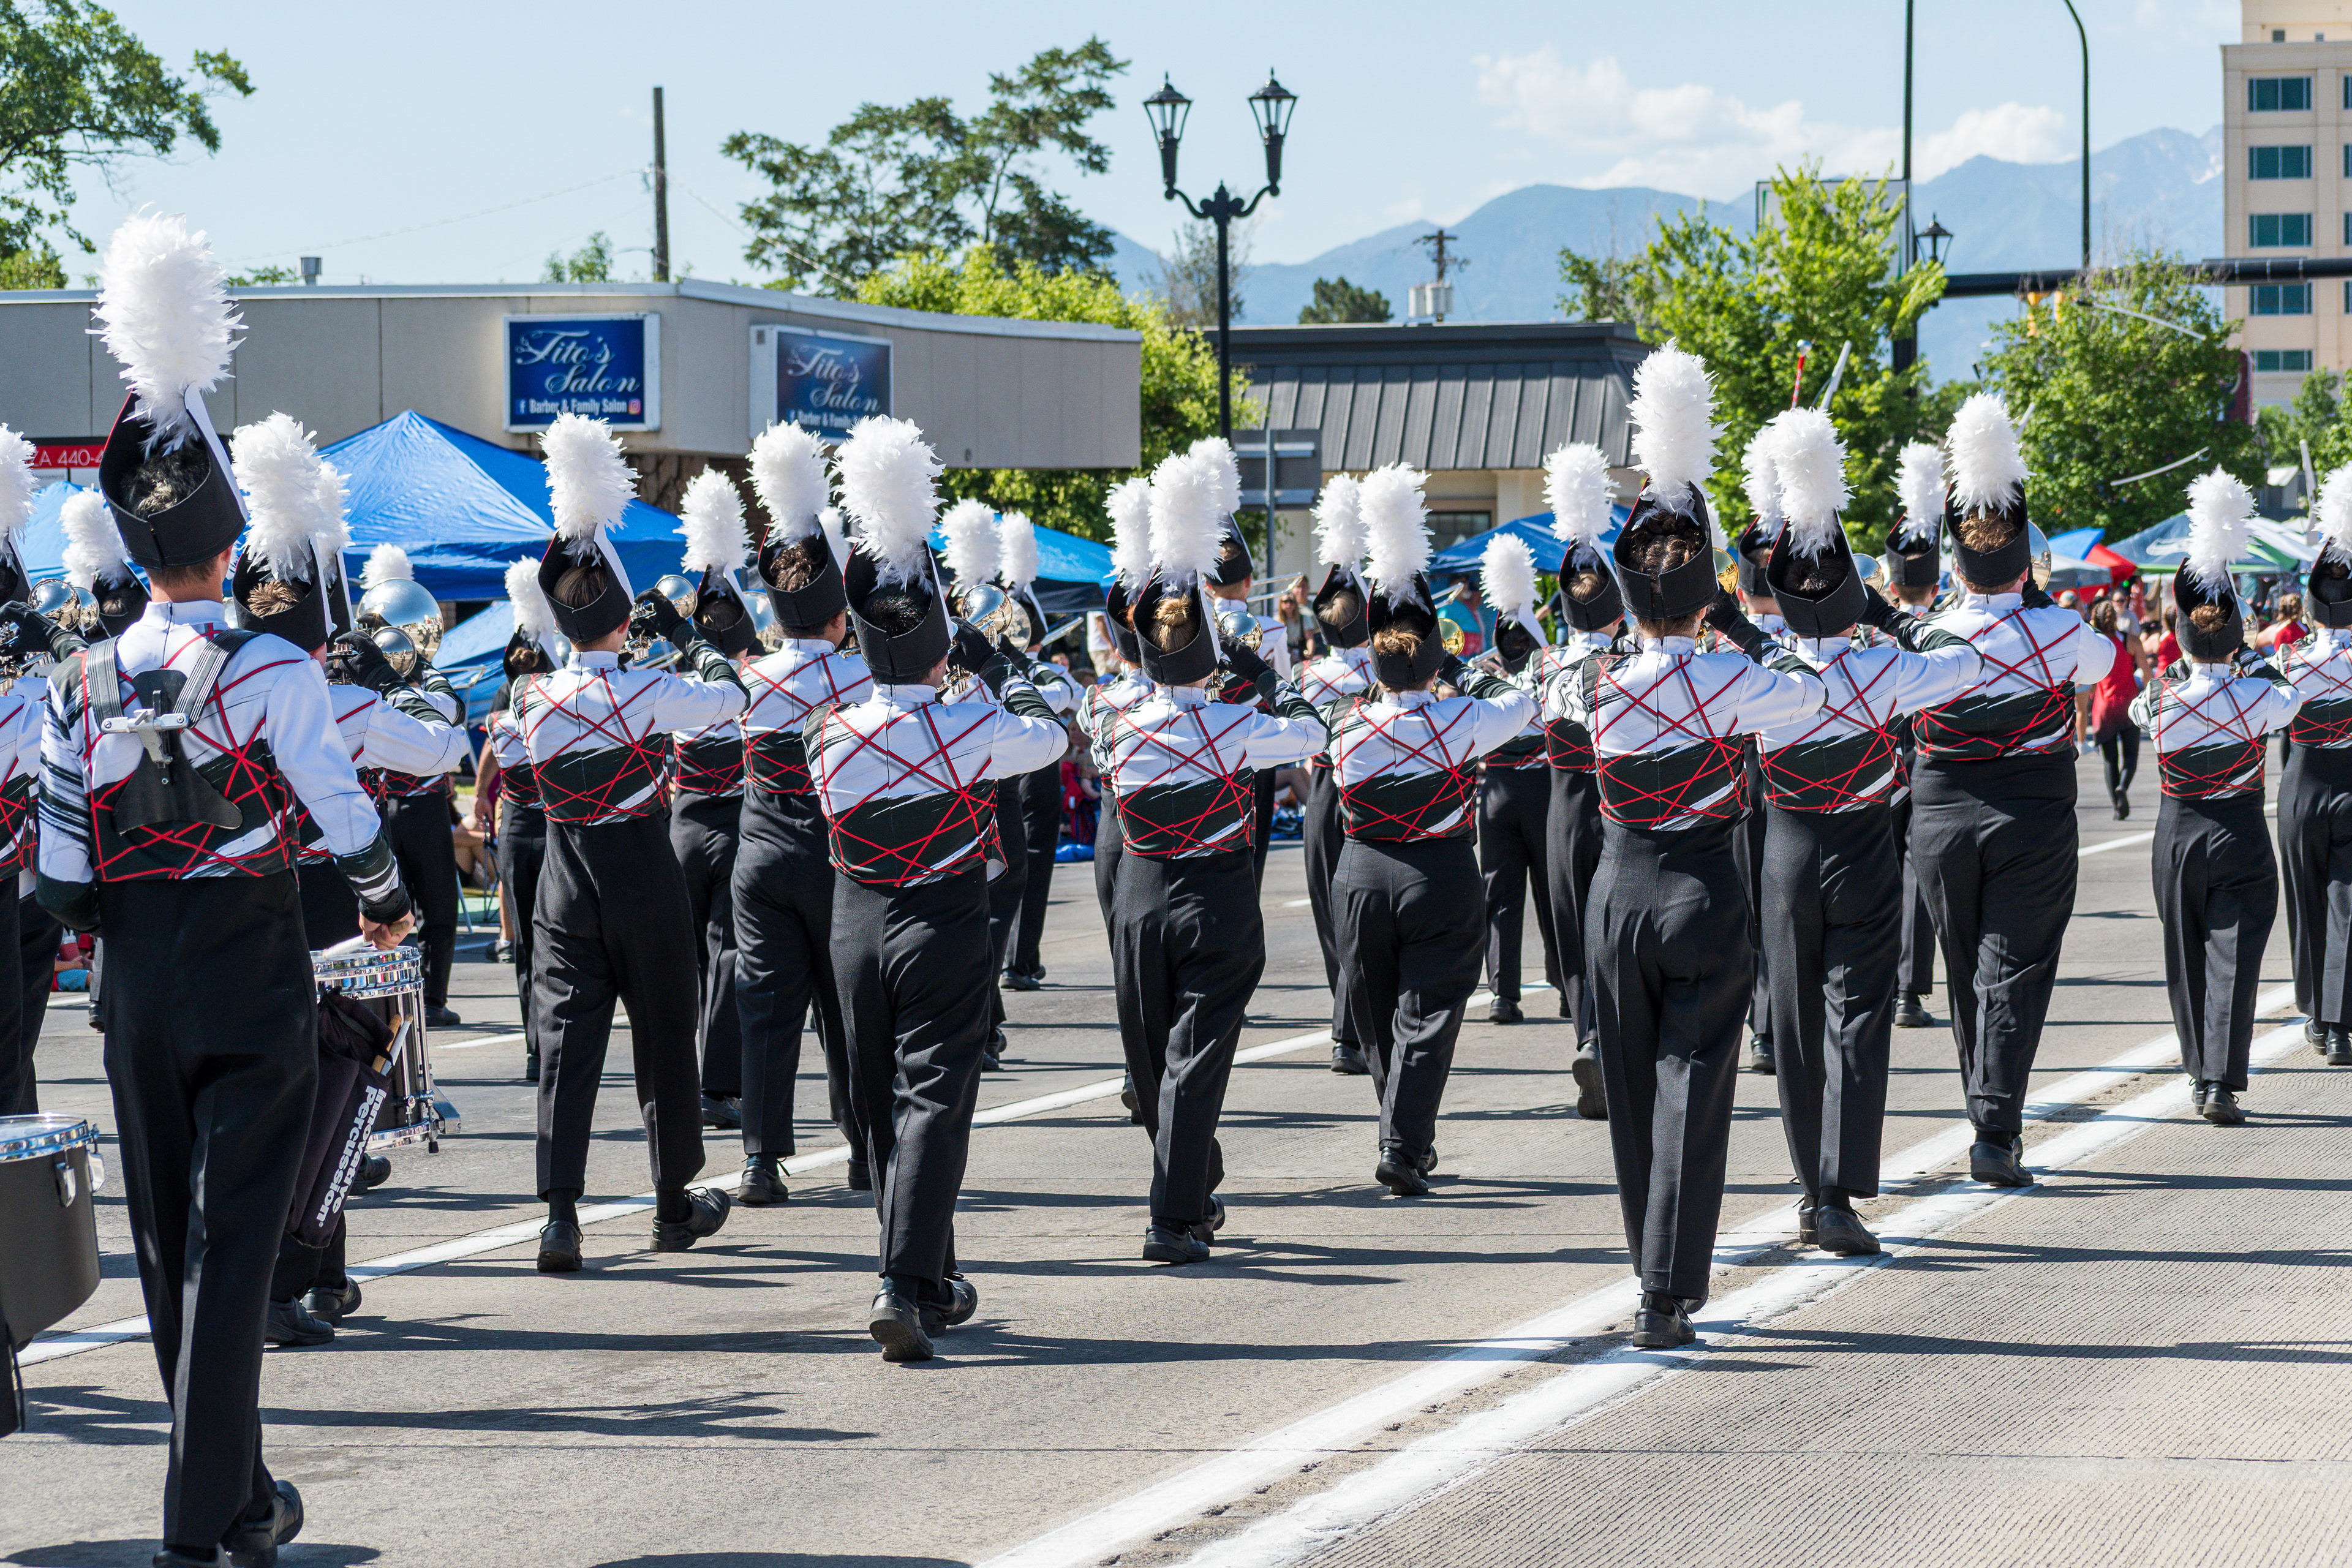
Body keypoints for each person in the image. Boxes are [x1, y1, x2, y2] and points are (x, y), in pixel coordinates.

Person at [44, 210, 411, 1568]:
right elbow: (345, 818)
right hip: (252, 956)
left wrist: (119, 919)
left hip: (133, 974)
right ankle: (203, 1522)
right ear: (226, 533)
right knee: (237, 1244)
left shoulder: (75, 683)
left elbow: (64, 877)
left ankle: (238, 1485)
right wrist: (381, 895)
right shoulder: (272, 668)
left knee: (163, 1242)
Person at [1564, 345, 1825, 1349]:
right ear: (1702, 590)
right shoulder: (1732, 678)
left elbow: (1569, 681)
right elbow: (1807, 699)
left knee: (1635, 1098)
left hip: (1618, 893)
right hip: (1707, 891)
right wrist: (1744, 623)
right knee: (1692, 1088)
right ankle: (1667, 1289)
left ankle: (1649, 1272)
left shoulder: (1587, 684)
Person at [809, 415, 1066, 1361]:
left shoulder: (828, 734)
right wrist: (995, 667)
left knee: (878, 1102)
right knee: (935, 1099)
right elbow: (1049, 737)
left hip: (854, 923)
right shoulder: (972, 723)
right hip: (943, 918)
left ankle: (927, 1275)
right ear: (938, 642)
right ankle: (902, 1283)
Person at [220, 413, 467, 1349]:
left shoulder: (219, 681)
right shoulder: (347, 700)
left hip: (229, 896)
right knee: (331, 1088)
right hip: (332, 897)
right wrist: (409, 694)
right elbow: (442, 749)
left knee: (289, 1092)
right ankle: (297, 1282)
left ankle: (322, 1270)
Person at [1751, 409, 1985, 1256]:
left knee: (1794, 1014)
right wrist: (1894, 619)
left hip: (1784, 848)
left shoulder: (1757, 671)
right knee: (1857, 1014)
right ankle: (1840, 1190)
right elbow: (1966, 666)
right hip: (1860, 845)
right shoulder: (1885, 661)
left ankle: (1813, 1191)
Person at [517, 414, 745, 1272]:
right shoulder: (651, 692)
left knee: (568, 1048)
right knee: (662, 1036)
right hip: (644, 872)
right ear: (619, 616)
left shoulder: (529, 701)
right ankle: (670, 1201)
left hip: (565, 878)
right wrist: (689, 641)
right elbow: (728, 698)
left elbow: (506, 753)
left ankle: (560, 1218)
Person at [1084, 447, 1325, 1260]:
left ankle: (1183, 1191)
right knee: (1194, 1061)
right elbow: (1312, 730)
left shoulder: (1114, 721)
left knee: (1157, 1062)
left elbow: (1092, 717)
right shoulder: (1238, 724)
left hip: (1140, 894)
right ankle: (1175, 1214)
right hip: (1216, 896)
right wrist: (1254, 664)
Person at [1909, 394, 2120, 1187]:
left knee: (1968, 970)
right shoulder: (2060, 628)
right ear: (2026, 557)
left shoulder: (1931, 630)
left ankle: (1987, 1109)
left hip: (1939, 812)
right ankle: (1994, 1129)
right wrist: (2035, 602)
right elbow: (2101, 669)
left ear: (1956, 560)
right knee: (2015, 969)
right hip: (2031, 812)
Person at [1324, 463, 1535, 1197]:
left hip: (1360, 872)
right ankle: (1404, 1141)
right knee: (1430, 1012)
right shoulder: (1464, 717)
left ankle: (1402, 1131)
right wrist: (1461, 672)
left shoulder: (1346, 724)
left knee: (1382, 1016)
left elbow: (1320, 702)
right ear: (1434, 653)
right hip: (1436, 871)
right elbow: (1520, 702)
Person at [2132, 471, 2303, 1123]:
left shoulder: (2163, 697)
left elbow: (2149, 710)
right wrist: (2249, 655)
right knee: (2236, 958)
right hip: (2240, 830)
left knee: (2187, 959)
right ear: (2235, 637)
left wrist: (2188, 659)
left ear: (2180, 636)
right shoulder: (2261, 691)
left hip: (2178, 833)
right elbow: (2290, 703)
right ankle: (2219, 1083)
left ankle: (2197, 1070)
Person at [732, 423, 870, 1204]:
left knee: (765, 1004)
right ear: (835, 612)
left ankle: (759, 1159)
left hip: (758, 849)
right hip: (831, 852)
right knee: (844, 1001)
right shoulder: (855, 681)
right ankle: (859, 1147)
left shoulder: (750, 679)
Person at [666, 471, 764, 1134]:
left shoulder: (672, 681)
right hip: (735, 821)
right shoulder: (750, 681)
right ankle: (717, 1083)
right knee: (728, 952)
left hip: (681, 821)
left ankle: (677, 1080)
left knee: (684, 958)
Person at [1537, 441, 1625, 1118]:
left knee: (1572, 935)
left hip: (1563, 811)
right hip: (1622, 805)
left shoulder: (1544, 671)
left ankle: (1589, 1037)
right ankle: (1609, 1043)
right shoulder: (1628, 665)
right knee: (1613, 931)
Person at [355, 543, 466, 1027]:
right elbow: (450, 715)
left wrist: (412, 667)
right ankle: (401, 999)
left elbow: (452, 711)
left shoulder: (385, 689)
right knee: (400, 904)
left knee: (432, 906)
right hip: (401, 807)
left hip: (408, 807)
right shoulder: (374, 689)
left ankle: (431, 999)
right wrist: (413, 668)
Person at [1295, 475, 1376, 1075]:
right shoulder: (1382, 670)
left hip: (1323, 789)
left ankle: (1344, 1020)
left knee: (1330, 911)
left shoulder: (1307, 677)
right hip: (1365, 789)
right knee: (1350, 914)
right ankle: (1349, 1027)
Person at [1193, 437, 1291, 889]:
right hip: (1258, 745)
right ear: (1250, 581)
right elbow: (1283, 688)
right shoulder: (1272, 631)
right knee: (1255, 856)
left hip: (1208, 747)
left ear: (1208, 585)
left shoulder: (1197, 628)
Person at [2278, 474, 2352, 1068]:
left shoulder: (2287, 656)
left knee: (2305, 900)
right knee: (2346, 901)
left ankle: (2314, 1013)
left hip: (2303, 779)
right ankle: (2339, 1024)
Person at [1471, 534, 1560, 1025]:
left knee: (1501, 893)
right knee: (1554, 889)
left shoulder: (1480, 671)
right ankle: (1569, 985)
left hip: (1498, 789)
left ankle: (1504, 994)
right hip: (1540, 785)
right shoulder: (1550, 667)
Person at [998, 511, 1081, 995]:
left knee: (1004, 864)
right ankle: (1022, 959)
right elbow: (1067, 693)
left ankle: (1010, 957)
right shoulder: (1035, 669)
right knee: (1033, 858)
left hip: (1003, 763)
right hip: (1037, 759)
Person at [487, 557, 560, 1082]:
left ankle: (545, 1046)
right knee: (537, 944)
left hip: (526, 829)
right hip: (540, 829)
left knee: (538, 945)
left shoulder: (502, 713)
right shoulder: (517, 713)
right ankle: (543, 1047)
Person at [1884, 440, 1947, 1032]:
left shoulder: (1871, 629)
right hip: (1926, 755)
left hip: (1877, 760)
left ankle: (1882, 981)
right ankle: (1907, 991)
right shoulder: (1947, 628)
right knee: (1914, 871)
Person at [2087, 598, 2148, 818]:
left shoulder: (2095, 646)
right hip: (2128, 704)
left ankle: (2117, 807)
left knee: (2109, 760)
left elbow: (2090, 682)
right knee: (2131, 756)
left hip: (2104, 707)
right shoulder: (2130, 641)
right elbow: (2147, 673)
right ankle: (2123, 786)